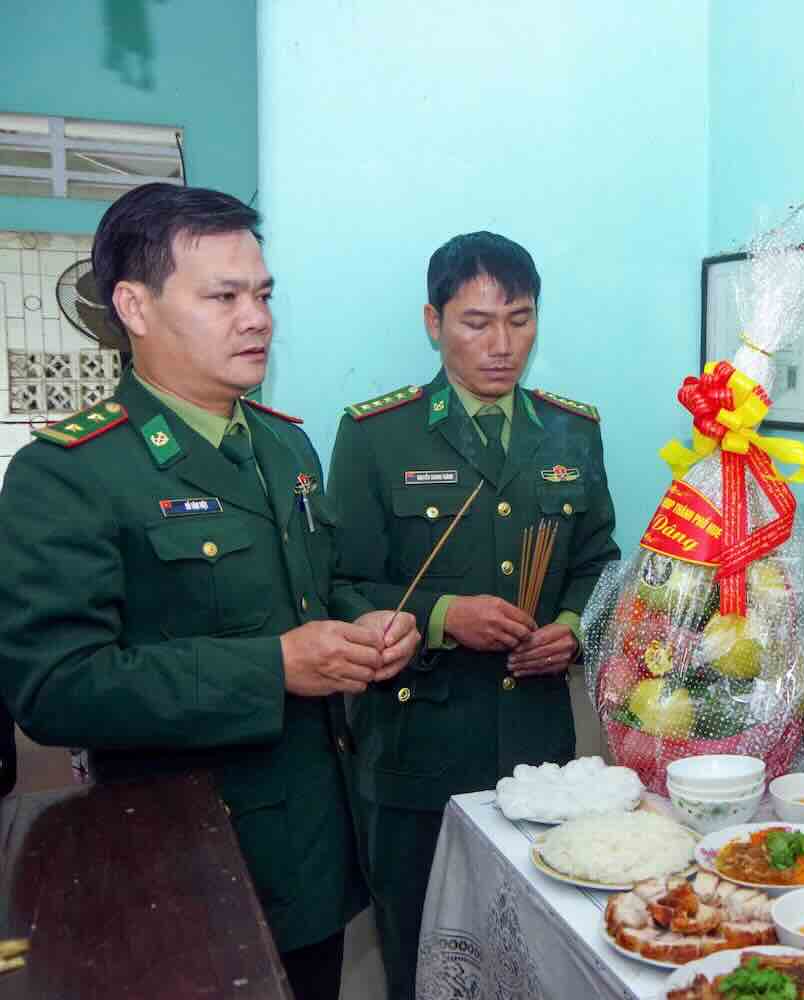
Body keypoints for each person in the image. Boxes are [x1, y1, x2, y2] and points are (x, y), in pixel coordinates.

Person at [0, 183, 420, 1000]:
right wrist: (272, 669)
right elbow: (54, 686)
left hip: (314, 851)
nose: (256, 317)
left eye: (262, 295)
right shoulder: (71, 472)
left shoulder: (285, 447)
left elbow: (310, 590)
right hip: (177, 868)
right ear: (135, 306)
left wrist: (361, 625)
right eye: (223, 297)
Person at [329, 231, 620, 999]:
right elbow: (341, 585)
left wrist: (572, 625)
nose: (502, 345)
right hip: (417, 746)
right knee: (422, 954)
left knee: (541, 949)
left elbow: (600, 563)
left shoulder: (571, 431)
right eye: (476, 322)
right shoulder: (376, 436)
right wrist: (444, 614)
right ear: (433, 322)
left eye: (520, 320)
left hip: (539, 750)